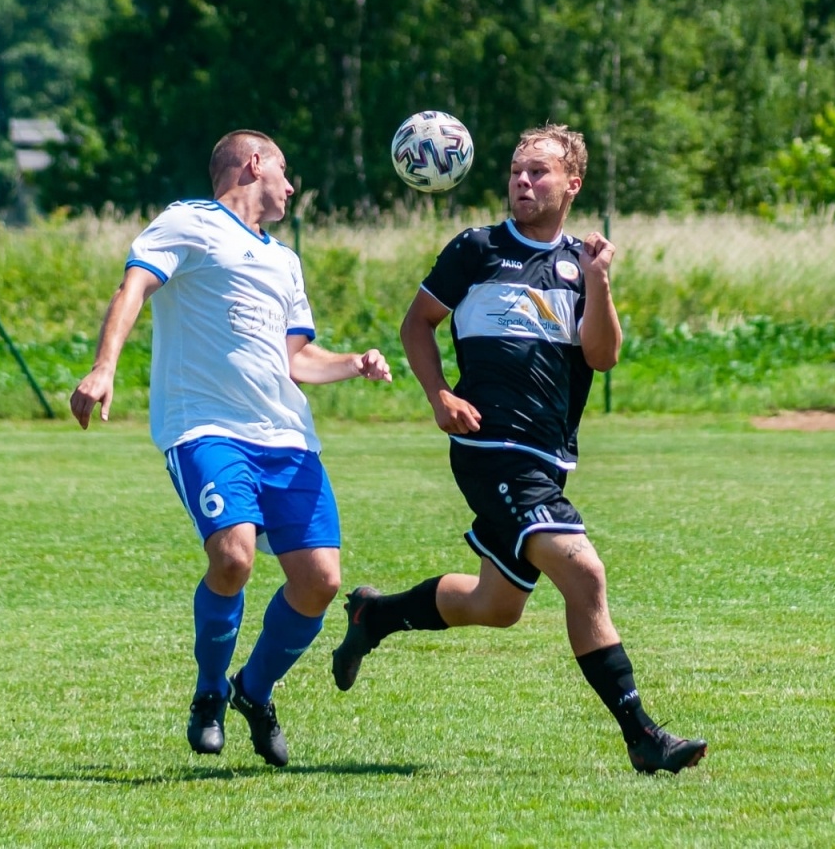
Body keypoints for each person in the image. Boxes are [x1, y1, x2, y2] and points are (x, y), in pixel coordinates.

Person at [329, 124, 708, 774]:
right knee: (584, 573)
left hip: (547, 457)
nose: (523, 182)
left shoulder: (581, 265)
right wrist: (439, 395)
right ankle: (644, 737)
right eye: (515, 172)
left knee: (496, 606)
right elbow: (417, 324)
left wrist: (601, 282)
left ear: (572, 183)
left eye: (538, 172)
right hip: (489, 446)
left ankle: (376, 615)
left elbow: (602, 356)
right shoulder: (477, 249)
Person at [70, 129, 392, 767]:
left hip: (287, 438)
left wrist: (353, 362)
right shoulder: (189, 221)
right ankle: (210, 691)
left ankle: (255, 690)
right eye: (284, 170)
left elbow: (297, 359)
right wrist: (104, 366)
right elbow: (133, 287)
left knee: (321, 581)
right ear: (253, 164)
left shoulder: (285, 261)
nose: (291, 186)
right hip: (205, 427)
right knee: (233, 556)